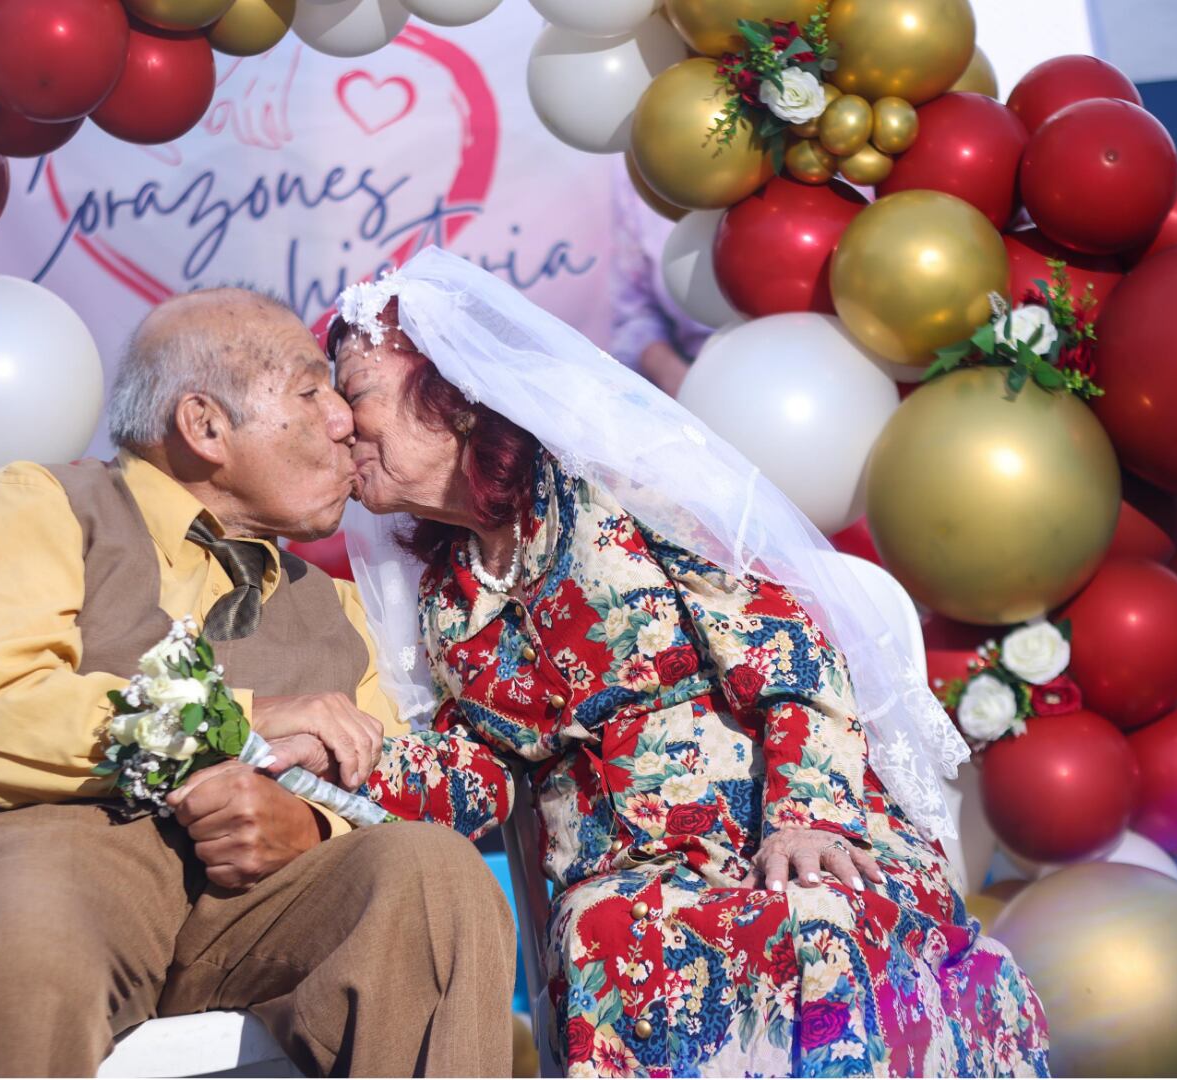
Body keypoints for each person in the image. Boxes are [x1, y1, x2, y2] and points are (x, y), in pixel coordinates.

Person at [328, 249, 1048, 1077]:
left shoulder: (613, 486)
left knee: (813, 913)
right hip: (620, 875)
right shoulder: (451, 600)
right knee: (606, 928)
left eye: (357, 395)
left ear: (449, 395)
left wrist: (804, 816)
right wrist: (340, 759)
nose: (343, 428)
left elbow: (789, 651)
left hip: (769, 819)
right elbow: (481, 771)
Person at [0, 287, 516, 1077]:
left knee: (431, 872)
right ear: (205, 426)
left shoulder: (344, 611)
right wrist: (243, 723)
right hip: (58, 850)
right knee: (35, 942)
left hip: (257, 903)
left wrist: (309, 828)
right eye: (311, 390)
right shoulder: (42, 504)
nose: (342, 420)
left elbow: (373, 778)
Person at [608, 158, 710, 397]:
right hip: (691, 395)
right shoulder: (639, 161)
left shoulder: (800, 153)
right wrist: (673, 375)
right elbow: (634, 316)